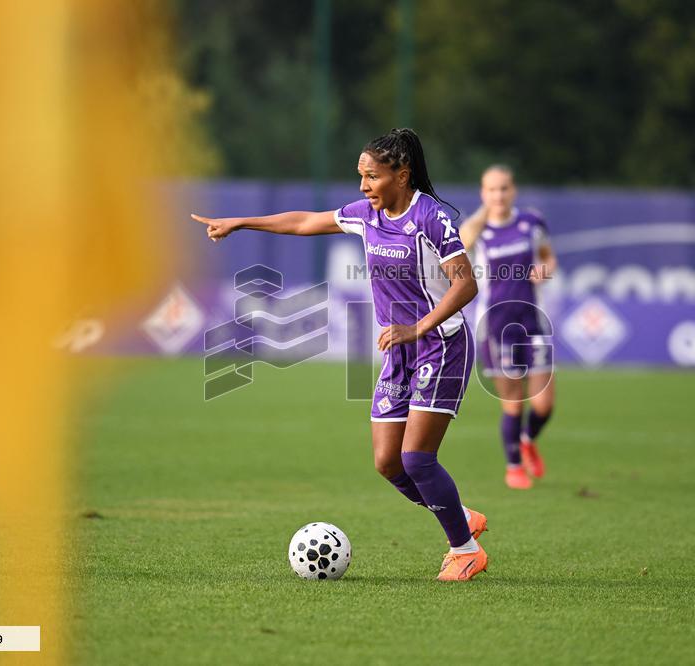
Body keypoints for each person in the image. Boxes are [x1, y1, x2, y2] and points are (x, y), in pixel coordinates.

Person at [192, 128, 489, 581]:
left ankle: (465, 550)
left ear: (401, 175)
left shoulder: (430, 218)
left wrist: (417, 327)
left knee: (417, 459)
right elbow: (305, 222)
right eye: (360, 176)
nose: (363, 186)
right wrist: (241, 222)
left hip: (441, 345)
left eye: (372, 176)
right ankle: (459, 515)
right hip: (399, 351)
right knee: (388, 463)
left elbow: (466, 284)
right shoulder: (366, 215)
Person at [460, 164, 557, 490]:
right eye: (491, 189)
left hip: (534, 321)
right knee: (513, 402)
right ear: (483, 193)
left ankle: (528, 440)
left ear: (513, 191)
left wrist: (545, 269)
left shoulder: (531, 222)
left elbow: (548, 256)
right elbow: (453, 260)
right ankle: (514, 467)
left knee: (543, 405)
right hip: (497, 326)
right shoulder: (476, 231)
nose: (498, 195)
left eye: (503, 188)